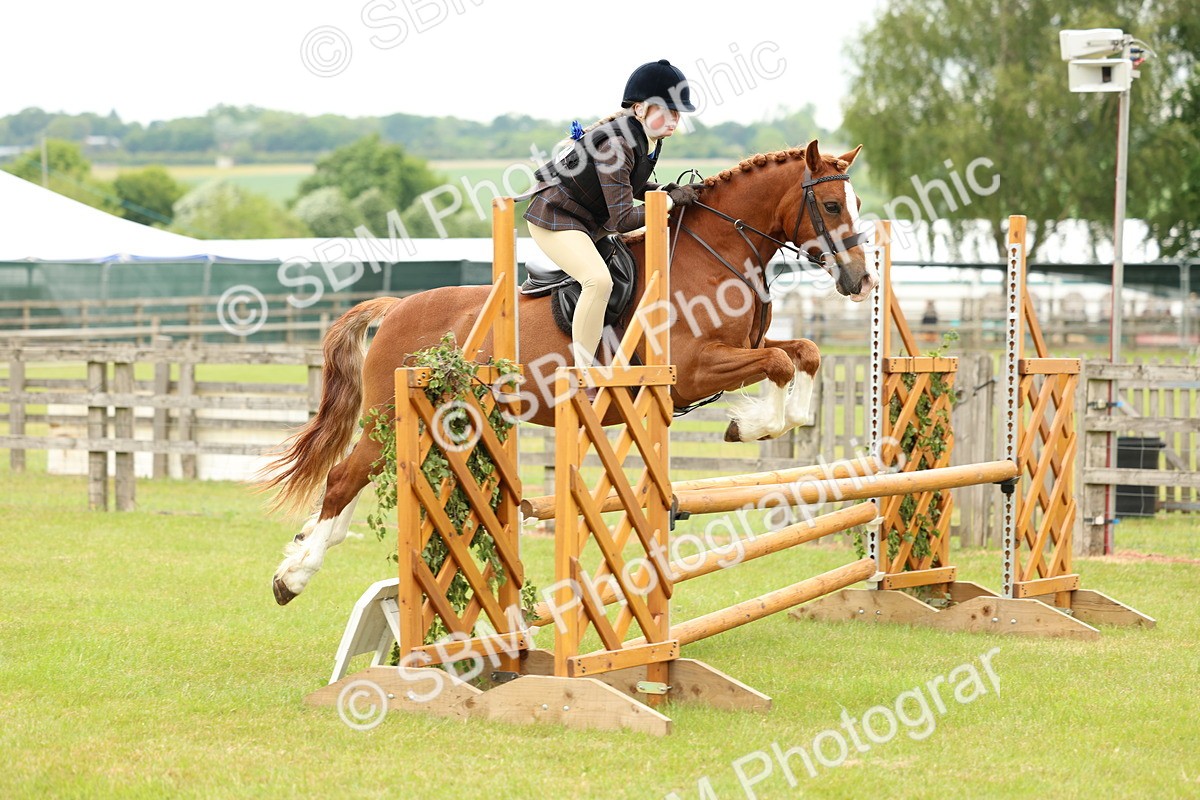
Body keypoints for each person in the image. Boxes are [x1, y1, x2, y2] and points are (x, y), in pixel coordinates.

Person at [525, 59, 702, 367]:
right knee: (598, 280)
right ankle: (582, 370)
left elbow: (625, 185)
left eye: (677, 113)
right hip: (555, 218)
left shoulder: (646, 138)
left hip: (583, 221)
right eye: (667, 111)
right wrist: (669, 203)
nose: (675, 119)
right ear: (641, 109)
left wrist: (661, 191)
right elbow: (622, 220)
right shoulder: (617, 144)